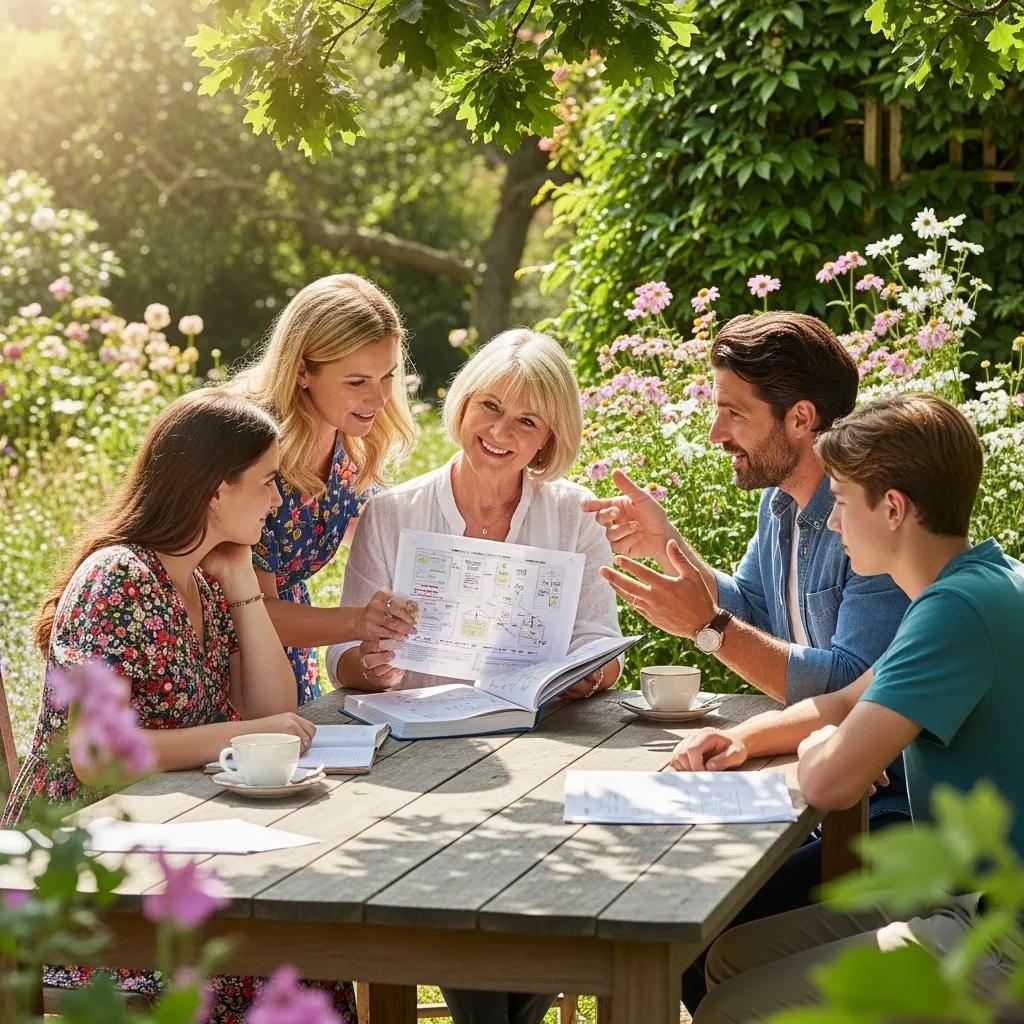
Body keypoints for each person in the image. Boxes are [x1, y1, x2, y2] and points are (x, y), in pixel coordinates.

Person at [583, 312, 911, 1006]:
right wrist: (668, 542)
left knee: (690, 936)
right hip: (810, 794)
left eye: (733, 412)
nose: (715, 433)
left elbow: (855, 682)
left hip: (886, 818)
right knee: (674, 913)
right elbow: (751, 611)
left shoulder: (869, 518)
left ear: (799, 418)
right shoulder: (781, 506)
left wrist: (708, 628)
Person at [3, 388, 357, 1021]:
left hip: (169, 842)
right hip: (82, 880)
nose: (278, 501)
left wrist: (244, 580)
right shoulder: (117, 579)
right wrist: (239, 734)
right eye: (268, 482)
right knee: (258, 964)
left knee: (301, 951)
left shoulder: (200, 575)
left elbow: (269, 705)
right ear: (216, 492)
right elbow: (96, 758)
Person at [672, 393, 1023, 1023]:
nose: (832, 524)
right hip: (965, 899)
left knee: (729, 1008)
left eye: (839, 500)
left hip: (1001, 934)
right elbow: (842, 699)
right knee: (725, 958)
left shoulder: (955, 612)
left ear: (892, 508)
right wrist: (747, 738)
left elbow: (831, 782)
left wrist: (821, 750)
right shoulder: (977, 584)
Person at [327, 328, 623, 1024]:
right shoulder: (394, 512)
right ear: (462, 406)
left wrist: (595, 675)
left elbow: (602, 646)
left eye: (527, 420)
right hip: (422, 763)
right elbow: (341, 652)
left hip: (544, 755)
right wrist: (365, 664)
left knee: (545, 894)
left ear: (549, 437)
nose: (501, 431)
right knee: (467, 908)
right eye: (489, 406)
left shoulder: (575, 515)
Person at [230, 273, 418, 704]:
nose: (379, 397)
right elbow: (250, 609)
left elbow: (381, 535)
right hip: (224, 659)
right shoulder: (247, 442)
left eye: (387, 376)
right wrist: (360, 622)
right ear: (301, 370)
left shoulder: (346, 443)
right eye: (357, 382)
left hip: (286, 654)